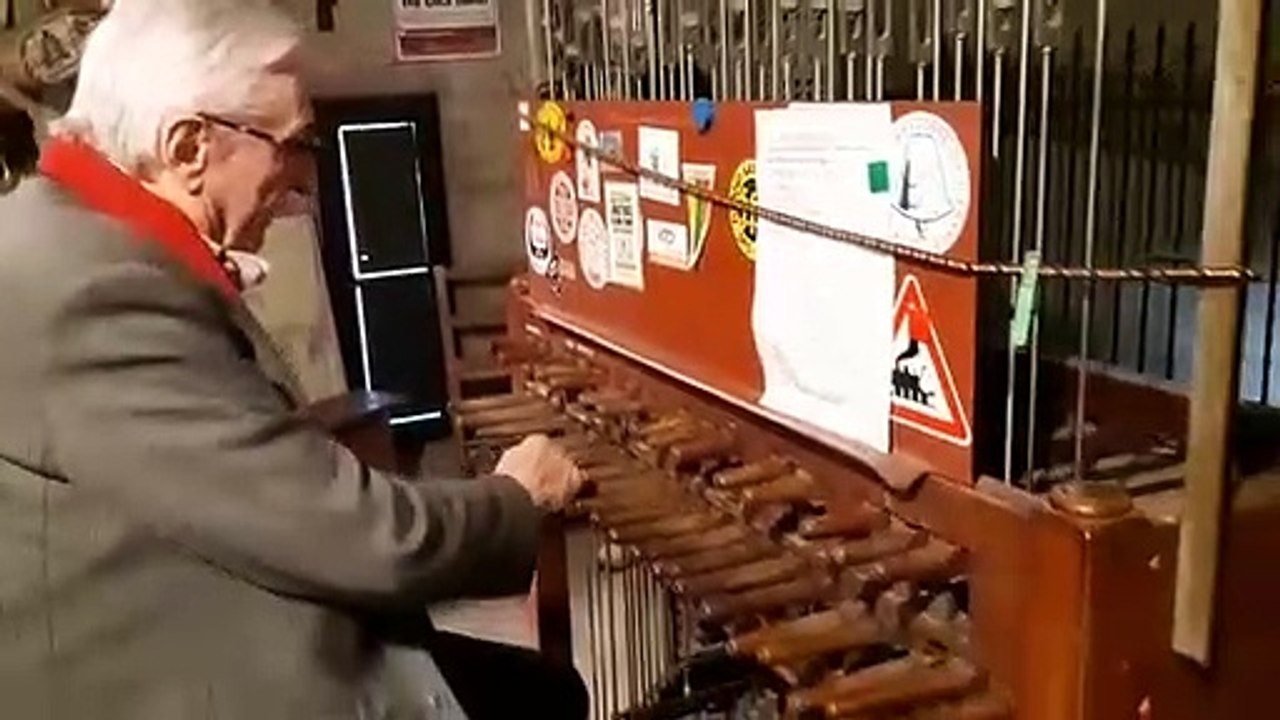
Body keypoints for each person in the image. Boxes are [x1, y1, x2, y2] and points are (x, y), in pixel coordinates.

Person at [0, 1, 586, 718]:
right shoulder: (90, 294)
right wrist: (513, 501)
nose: (304, 182)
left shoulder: (76, 237)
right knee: (537, 699)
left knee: (539, 691)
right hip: (183, 674)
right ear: (188, 148)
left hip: (191, 615)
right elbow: (357, 534)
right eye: (295, 144)